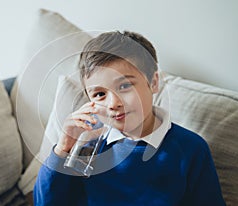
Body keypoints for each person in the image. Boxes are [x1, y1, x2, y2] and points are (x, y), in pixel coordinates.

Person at [33, 31, 226, 205]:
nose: (113, 103)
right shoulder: (88, 145)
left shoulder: (190, 149)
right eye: (100, 94)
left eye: (125, 86)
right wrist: (63, 148)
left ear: (153, 83)